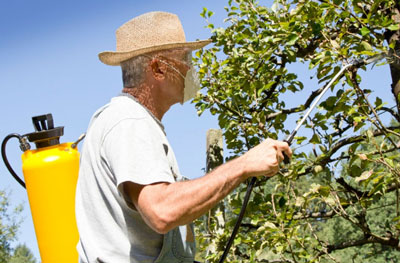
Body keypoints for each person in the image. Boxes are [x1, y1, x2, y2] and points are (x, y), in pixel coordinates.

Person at [75, 11, 292, 263]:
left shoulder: (128, 120)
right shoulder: (129, 121)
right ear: (158, 69)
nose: (191, 68)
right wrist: (244, 165)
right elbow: (162, 211)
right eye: (184, 59)